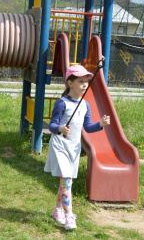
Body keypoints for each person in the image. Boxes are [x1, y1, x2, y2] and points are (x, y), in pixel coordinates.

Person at [44, 65, 111, 230]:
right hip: (60, 146)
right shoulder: (62, 103)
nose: (84, 84)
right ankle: (69, 217)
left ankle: (57, 210)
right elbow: (52, 125)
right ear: (70, 83)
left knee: (65, 182)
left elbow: (87, 127)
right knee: (67, 181)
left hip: (74, 149)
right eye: (80, 81)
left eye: (86, 81)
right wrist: (60, 128)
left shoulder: (85, 105)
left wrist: (100, 124)